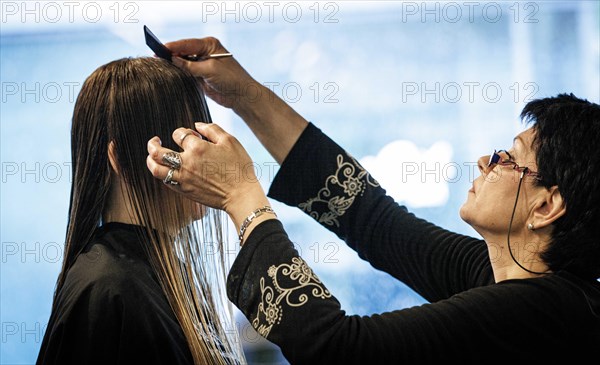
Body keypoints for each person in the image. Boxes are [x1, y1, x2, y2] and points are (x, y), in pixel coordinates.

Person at [146, 37, 600, 364]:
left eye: (508, 158)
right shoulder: (509, 278)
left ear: (546, 207)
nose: (485, 159)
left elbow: (340, 348)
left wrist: (242, 196)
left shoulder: (544, 311)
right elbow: (367, 215)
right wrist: (246, 95)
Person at [37, 57, 244, 365]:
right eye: (184, 141)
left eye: (202, 141)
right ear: (119, 157)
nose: (205, 158)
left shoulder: (161, 271)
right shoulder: (106, 290)